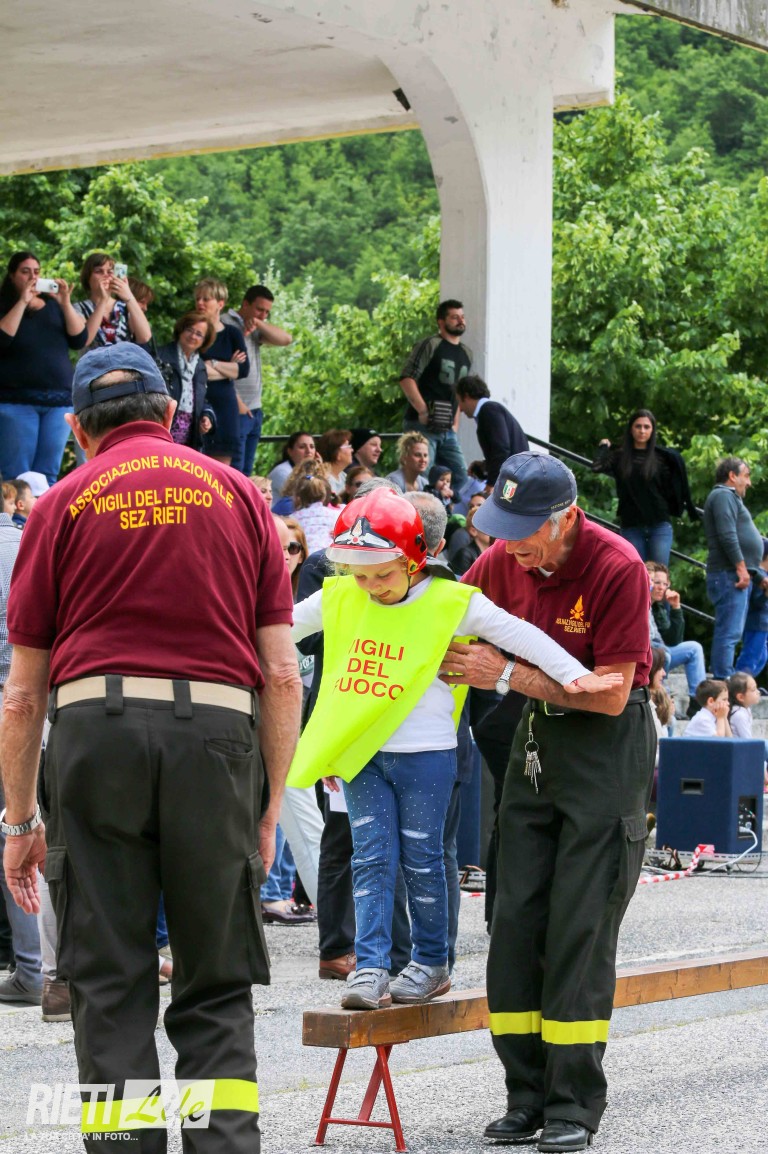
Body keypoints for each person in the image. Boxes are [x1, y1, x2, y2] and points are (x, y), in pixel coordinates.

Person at [0, 343, 302, 1153]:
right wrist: (269, 805)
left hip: (95, 738)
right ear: (171, 414)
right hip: (217, 740)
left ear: (77, 429)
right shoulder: (240, 495)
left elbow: (23, 693)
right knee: (215, 978)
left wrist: (19, 820)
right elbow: (281, 673)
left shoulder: (60, 505)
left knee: (108, 980)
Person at [287, 489, 624, 1013]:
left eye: (382, 574)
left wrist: (575, 676)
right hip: (359, 755)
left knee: (423, 860)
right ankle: (370, 966)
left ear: (414, 558)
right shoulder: (339, 596)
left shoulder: (454, 601)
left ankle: (430, 962)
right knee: (370, 859)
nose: (371, 587)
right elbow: (278, 630)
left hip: (428, 754)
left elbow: (523, 635)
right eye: (359, 575)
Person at [440, 451, 655, 1152]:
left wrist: (503, 673)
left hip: (606, 745)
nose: (509, 547)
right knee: (515, 919)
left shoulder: (617, 566)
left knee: (579, 930)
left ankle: (572, 1104)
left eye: (523, 532)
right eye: (501, 530)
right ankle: (524, 1095)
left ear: (566, 518)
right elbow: (442, 614)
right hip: (536, 743)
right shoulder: (503, 558)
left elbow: (613, 693)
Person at [0, 493, 44, 1010]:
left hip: (15, 695)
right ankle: (42, 968)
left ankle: (32, 969)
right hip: (42, 693)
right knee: (30, 825)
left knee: (17, 832)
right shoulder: (29, 539)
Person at [0, 251, 87, 485]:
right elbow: (3, 339)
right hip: (17, 401)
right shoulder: (5, 305)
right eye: (25, 272)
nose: (32, 277)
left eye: (36, 272)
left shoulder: (53, 306)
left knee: (47, 475)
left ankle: (44, 510)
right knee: (16, 475)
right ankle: (15, 511)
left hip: (58, 401)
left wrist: (65, 303)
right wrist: (22, 301)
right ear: (12, 276)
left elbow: (79, 339)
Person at [591, 408, 698, 566]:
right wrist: (603, 447)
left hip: (659, 523)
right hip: (631, 524)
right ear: (631, 429)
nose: (642, 431)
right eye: (638, 426)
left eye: (647, 427)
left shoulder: (662, 458)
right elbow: (597, 467)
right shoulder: (620, 456)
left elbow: (672, 488)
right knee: (635, 571)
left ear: (652, 431)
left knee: (659, 573)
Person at [703, 457, 766, 679]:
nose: (749, 482)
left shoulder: (729, 498)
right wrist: (741, 568)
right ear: (732, 476)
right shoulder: (723, 495)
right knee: (729, 633)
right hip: (728, 575)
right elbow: (727, 535)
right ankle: (722, 681)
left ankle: (724, 679)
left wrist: (758, 577)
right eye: (746, 476)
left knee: (733, 632)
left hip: (735, 574)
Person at [399, 299, 471, 490]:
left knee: (460, 476)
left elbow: (458, 393)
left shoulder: (466, 353)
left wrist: (455, 424)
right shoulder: (430, 345)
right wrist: (422, 410)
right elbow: (407, 378)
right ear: (441, 321)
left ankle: (447, 507)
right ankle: (418, 508)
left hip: (448, 429)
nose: (460, 321)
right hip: (421, 425)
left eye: (462, 317)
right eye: (454, 317)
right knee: (421, 475)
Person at [222, 284, 292, 477]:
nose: (263, 315)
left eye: (267, 312)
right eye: (259, 309)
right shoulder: (225, 323)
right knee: (235, 471)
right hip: (236, 408)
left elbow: (286, 339)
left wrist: (259, 323)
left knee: (247, 471)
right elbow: (218, 368)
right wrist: (237, 402)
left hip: (255, 409)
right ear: (245, 304)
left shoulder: (254, 326)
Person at [194, 278, 250, 465]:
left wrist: (213, 363)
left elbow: (243, 370)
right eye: (198, 299)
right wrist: (228, 368)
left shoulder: (232, 333)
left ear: (220, 303)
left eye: (206, 299)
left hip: (225, 405)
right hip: (199, 402)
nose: (200, 303)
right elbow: (197, 370)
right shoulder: (193, 333)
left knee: (223, 467)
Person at [646, 562, 706, 718]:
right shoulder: (639, 601)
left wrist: (676, 608)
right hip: (652, 653)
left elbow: (673, 640)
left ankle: (697, 703)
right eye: (656, 582)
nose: (660, 587)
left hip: (660, 650)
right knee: (665, 655)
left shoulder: (657, 607)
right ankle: (662, 699)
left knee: (694, 648)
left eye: (664, 584)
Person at [155, 310, 216, 449]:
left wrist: (206, 416)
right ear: (181, 330)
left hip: (189, 440)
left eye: (199, 334)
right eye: (189, 330)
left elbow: (202, 400)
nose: (193, 336)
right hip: (162, 431)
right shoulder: (161, 357)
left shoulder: (200, 366)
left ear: (204, 340)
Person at [455, 375, 529, 487]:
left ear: (466, 396)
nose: (460, 409)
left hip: (513, 481)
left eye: (459, 402)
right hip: (516, 477)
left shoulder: (489, 410)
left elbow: (501, 449)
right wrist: (485, 466)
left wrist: (492, 484)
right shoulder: (491, 410)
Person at [74, 252, 152, 349]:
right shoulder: (79, 308)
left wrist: (129, 296)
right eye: (99, 271)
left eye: (110, 272)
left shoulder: (125, 307)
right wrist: (103, 300)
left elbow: (144, 337)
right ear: (88, 277)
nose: (105, 275)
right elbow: (84, 341)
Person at [735, 539, 768, 679]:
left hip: (762, 625)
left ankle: (746, 683)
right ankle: (737, 683)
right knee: (750, 657)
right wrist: (765, 595)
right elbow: (755, 603)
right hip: (756, 623)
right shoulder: (759, 576)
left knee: (762, 657)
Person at [268, 431, 317, 500]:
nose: (309, 451)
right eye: (302, 447)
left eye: (312, 447)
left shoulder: (309, 471)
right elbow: (306, 499)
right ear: (290, 452)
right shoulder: (282, 471)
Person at [450, 502, 492, 577]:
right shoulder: (465, 555)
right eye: (487, 526)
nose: (494, 531)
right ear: (473, 531)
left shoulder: (493, 553)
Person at [315, 429, 354, 497]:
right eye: (348, 446)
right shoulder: (324, 479)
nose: (352, 450)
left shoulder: (344, 476)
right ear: (336, 453)